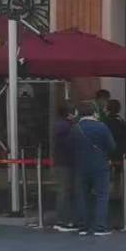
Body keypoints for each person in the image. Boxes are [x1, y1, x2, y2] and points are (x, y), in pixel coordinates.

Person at [70, 100, 116, 237]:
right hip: (100, 165)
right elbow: (112, 146)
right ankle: (100, 227)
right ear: (95, 112)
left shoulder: (75, 128)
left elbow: (69, 148)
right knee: (102, 196)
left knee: (82, 196)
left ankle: (83, 227)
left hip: (80, 166)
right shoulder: (102, 127)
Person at [51, 103, 77, 232]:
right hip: (65, 164)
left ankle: (64, 219)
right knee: (64, 192)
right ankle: (62, 221)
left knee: (64, 191)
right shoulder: (65, 127)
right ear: (69, 113)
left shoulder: (61, 125)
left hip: (62, 163)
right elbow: (69, 145)